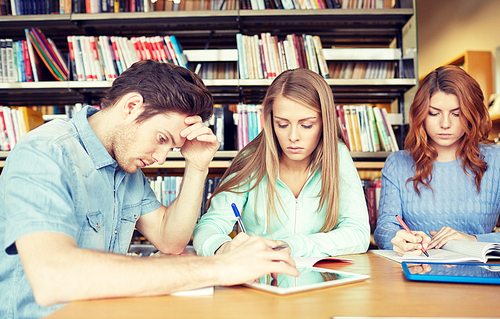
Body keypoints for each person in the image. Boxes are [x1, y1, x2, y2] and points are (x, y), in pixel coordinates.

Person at [0, 60, 300, 319]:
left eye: (171, 147)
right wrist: (220, 267)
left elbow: (171, 240)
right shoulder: (46, 152)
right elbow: (53, 277)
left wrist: (196, 166)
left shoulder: (123, 164)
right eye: (161, 138)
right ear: (131, 106)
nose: (159, 158)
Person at [193, 68, 370, 258]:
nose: (293, 137)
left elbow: (358, 233)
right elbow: (208, 227)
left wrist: (292, 246)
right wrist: (222, 247)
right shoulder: (251, 160)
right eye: (282, 125)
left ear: (324, 122)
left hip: (322, 280)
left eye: (307, 125)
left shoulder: (337, 155)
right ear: (270, 121)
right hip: (261, 279)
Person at [374, 65, 500, 256]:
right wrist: (398, 239)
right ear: (420, 114)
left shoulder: (496, 159)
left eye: (456, 113)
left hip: (479, 275)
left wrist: (473, 240)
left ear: (471, 114)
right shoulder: (397, 164)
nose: (445, 124)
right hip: (417, 270)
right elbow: (384, 229)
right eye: (434, 113)